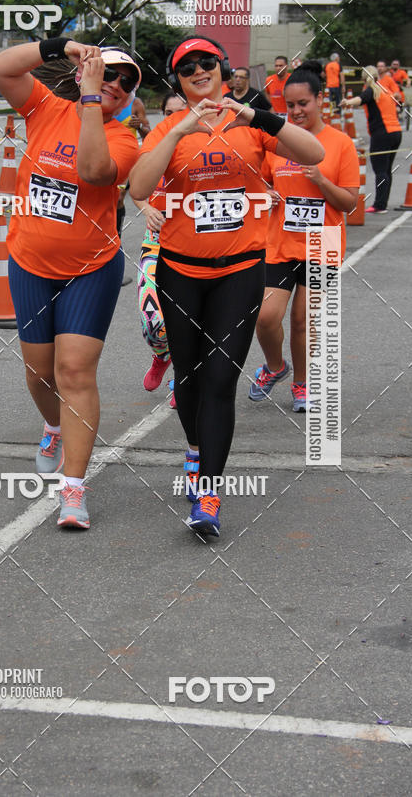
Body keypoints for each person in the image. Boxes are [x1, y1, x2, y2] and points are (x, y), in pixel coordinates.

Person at [129, 36, 324, 537]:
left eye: (207, 63)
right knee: (190, 381)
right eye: (187, 66)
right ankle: (195, 449)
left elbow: (315, 151)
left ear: (223, 69)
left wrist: (258, 118)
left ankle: (209, 494)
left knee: (220, 380)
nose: (198, 70)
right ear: (178, 79)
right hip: (180, 273)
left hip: (240, 272)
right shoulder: (171, 127)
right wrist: (179, 133)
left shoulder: (249, 124)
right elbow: (138, 186)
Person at [0, 39, 140, 529]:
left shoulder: (124, 138)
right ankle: (53, 426)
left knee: (74, 372)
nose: (116, 83)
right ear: (83, 71)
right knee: (40, 373)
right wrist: (64, 45)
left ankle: (72, 490)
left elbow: (93, 171)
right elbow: (1, 67)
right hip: (30, 262)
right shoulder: (45, 107)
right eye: (108, 72)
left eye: (127, 81)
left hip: (90, 269)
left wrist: (94, 100)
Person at [248, 63, 359, 412]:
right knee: (265, 318)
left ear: (320, 99)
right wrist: (267, 193)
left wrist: (322, 182)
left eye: (303, 104)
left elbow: (349, 202)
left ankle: (302, 384)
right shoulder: (280, 142)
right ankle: (275, 367)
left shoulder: (340, 144)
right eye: (290, 106)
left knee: (302, 320)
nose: (296, 112)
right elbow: (260, 182)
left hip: (321, 244)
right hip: (279, 242)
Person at [131, 93, 186, 408]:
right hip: (156, 244)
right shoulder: (152, 144)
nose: (173, 117)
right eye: (167, 112)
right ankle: (160, 354)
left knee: (188, 320)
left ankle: (183, 378)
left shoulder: (205, 146)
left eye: (180, 112)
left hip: (193, 250)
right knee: (154, 323)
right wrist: (145, 206)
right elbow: (135, 187)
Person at [342, 65, 402, 213]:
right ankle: (382, 203)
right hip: (396, 132)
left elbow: (360, 99)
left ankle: (379, 205)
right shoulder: (385, 90)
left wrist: (347, 102)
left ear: (364, 79)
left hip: (382, 134)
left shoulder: (371, 90)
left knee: (380, 170)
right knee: (386, 170)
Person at [114, 91, 151, 284]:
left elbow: (150, 134)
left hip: (125, 158)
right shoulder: (106, 98)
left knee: (118, 198)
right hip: (103, 154)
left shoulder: (136, 103)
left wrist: (140, 127)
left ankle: (114, 244)